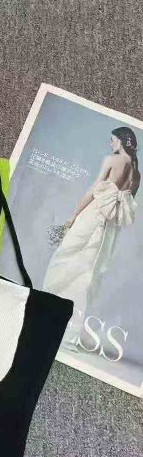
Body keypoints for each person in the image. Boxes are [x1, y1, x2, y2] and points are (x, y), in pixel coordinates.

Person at [43, 127, 139, 351]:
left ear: (122, 141)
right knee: (88, 274)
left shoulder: (112, 160)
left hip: (93, 216)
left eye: (113, 140)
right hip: (110, 228)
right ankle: (68, 334)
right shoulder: (137, 174)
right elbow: (126, 206)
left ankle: (45, 319)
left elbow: (92, 190)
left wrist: (73, 216)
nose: (111, 143)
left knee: (64, 261)